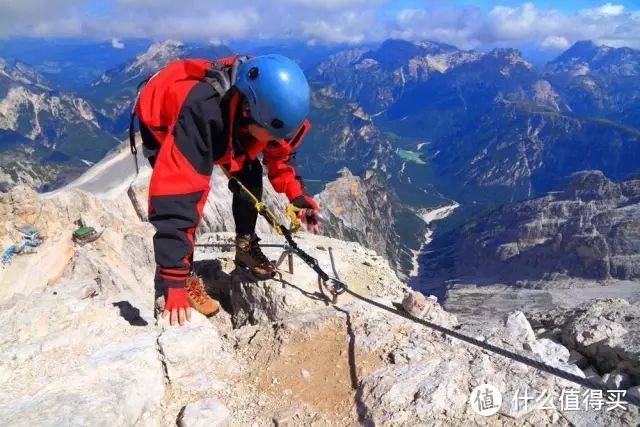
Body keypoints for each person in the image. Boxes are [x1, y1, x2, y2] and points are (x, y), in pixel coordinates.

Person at [133, 54, 320, 327]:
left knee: (250, 172)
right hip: (161, 118)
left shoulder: (264, 103)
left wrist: (297, 195)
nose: (278, 141)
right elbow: (175, 198)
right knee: (186, 198)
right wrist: (173, 279)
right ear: (247, 114)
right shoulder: (201, 116)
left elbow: (279, 153)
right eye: (272, 134)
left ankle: (245, 246)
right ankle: (182, 277)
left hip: (228, 124)